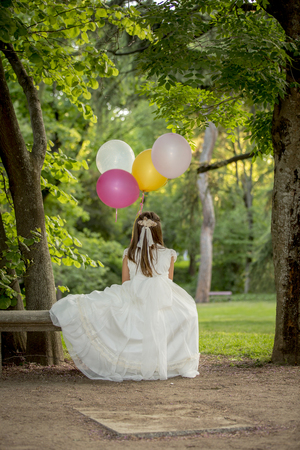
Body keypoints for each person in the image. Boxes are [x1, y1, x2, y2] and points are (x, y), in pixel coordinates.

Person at [50, 211, 199, 381]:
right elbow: (169, 282)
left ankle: (131, 363)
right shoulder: (168, 254)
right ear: (158, 231)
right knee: (187, 313)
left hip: (134, 295)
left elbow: (125, 282)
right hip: (162, 299)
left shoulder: (129, 253)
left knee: (115, 313)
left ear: (136, 231)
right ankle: (168, 362)